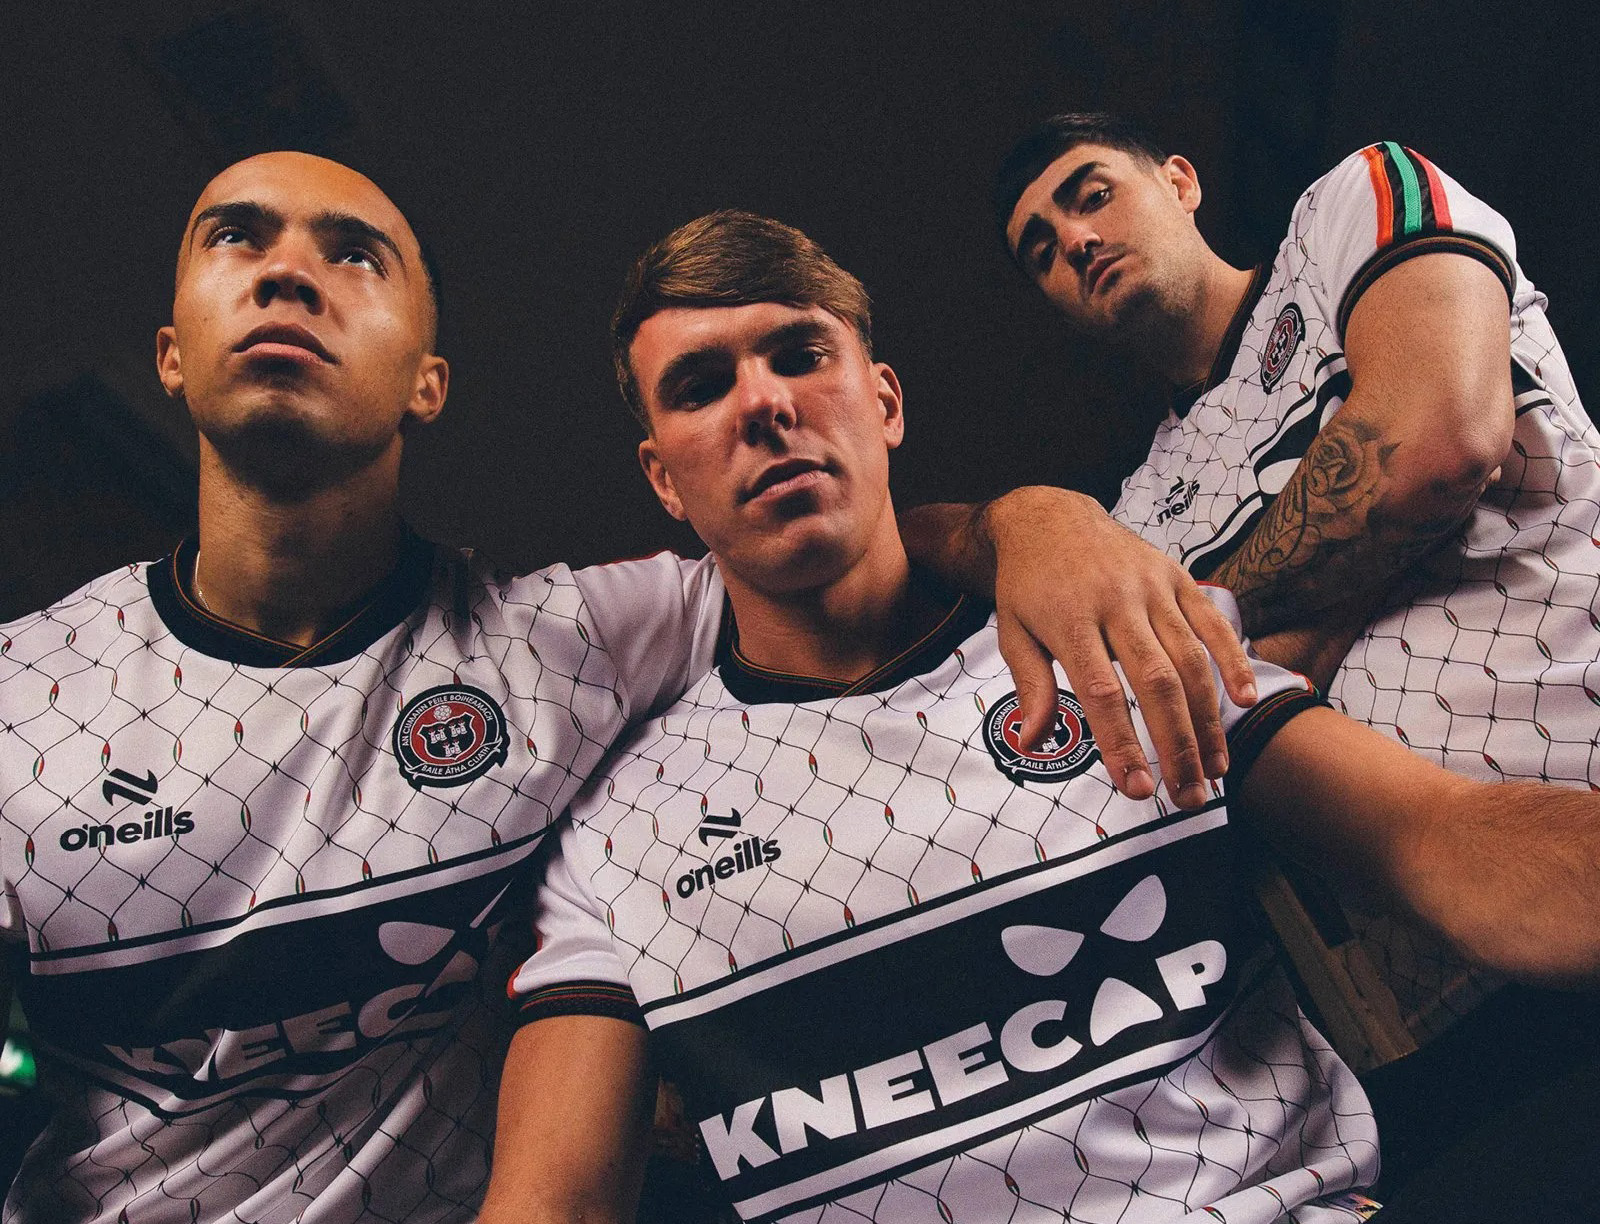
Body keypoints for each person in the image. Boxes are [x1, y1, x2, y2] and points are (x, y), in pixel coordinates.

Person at [0, 153, 1250, 1223]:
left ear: (427, 380)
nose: (284, 272)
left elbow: (839, 549)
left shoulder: (571, 643)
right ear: (170, 354)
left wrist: (1037, 523)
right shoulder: (21, 705)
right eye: (237, 238)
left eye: (354, 253)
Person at [485, 211, 1600, 1224]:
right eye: (699, 386)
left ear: (884, 402)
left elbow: (1442, 841)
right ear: (663, 480)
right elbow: (552, 1203)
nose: (764, 403)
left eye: (798, 355)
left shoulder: (1112, 639)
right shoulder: (614, 834)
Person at [992, 113, 1600, 1044]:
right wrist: (1364, 541)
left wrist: (1223, 614)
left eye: (1091, 195)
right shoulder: (1134, 522)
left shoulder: (1346, 209)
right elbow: (1204, 744)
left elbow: (1441, 441)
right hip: (1453, 1002)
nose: (1073, 241)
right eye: (1041, 251)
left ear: (1181, 183)